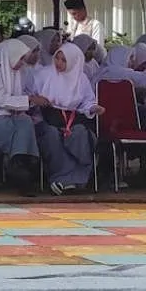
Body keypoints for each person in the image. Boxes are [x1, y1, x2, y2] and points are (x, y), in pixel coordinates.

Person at [0, 39, 47, 196]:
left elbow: (16, 98)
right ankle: (20, 168)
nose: (21, 63)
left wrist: (31, 100)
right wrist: (30, 100)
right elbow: (0, 100)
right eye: (20, 58)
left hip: (9, 114)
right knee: (15, 127)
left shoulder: (16, 71)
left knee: (26, 121)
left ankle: (18, 163)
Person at [34, 43, 101, 195]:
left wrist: (93, 108)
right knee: (52, 135)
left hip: (73, 120)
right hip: (47, 120)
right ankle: (62, 179)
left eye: (63, 60)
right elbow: (31, 97)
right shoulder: (44, 75)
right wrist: (37, 100)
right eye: (57, 58)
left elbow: (87, 102)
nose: (58, 63)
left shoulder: (81, 78)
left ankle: (79, 179)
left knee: (80, 134)